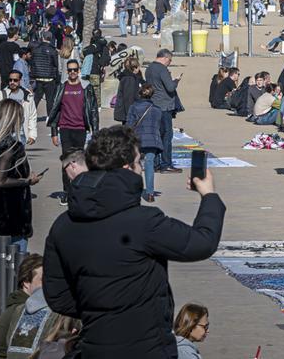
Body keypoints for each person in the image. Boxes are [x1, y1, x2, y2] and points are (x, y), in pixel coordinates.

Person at [43, 125, 225, 359]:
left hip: (95, 345)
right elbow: (202, 242)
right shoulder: (144, 222)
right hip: (146, 347)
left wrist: (99, 307)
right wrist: (209, 195)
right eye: (139, 162)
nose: (141, 169)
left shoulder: (63, 225)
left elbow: (58, 296)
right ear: (127, 167)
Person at [0, 100, 41, 257]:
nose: (22, 121)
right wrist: (28, 181)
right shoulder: (11, 146)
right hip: (12, 213)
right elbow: (0, 180)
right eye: (20, 117)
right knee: (15, 263)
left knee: (3, 259)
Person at [47, 58, 100, 202]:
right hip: (65, 129)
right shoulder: (61, 87)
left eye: (74, 70)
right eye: (69, 70)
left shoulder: (86, 88)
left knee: (79, 162)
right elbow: (55, 111)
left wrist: (95, 131)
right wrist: (53, 132)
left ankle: (78, 189)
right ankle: (66, 191)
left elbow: (93, 110)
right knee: (66, 161)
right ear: (67, 71)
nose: (72, 72)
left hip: (81, 129)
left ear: (78, 71)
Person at [0, 253, 47, 359]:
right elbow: (22, 354)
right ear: (26, 282)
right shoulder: (24, 312)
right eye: (43, 280)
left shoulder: (25, 306)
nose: (49, 284)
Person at [125, 83, 163, 203]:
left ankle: (135, 189)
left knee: (135, 164)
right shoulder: (157, 109)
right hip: (152, 140)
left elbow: (129, 125)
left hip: (138, 139)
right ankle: (150, 193)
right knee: (149, 164)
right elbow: (161, 127)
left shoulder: (134, 107)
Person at [146, 49, 182, 174]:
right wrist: (176, 80)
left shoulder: (149, 68)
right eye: (170, 60)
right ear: (165, 58)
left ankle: (156, 163)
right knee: (166, 135)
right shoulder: (162, 69)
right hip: (164, 106)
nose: (169, 63)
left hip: (153, 104)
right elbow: (170, 87)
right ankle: (166, 164)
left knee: (156, 135)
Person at [0, 69, 39, 144]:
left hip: (20, 135)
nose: (12, 82)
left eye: (15, 80)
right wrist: (0, 112)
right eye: (10, 80)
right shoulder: (0, 95)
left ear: (20, 81)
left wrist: (32, 135)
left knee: (18, 155)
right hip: (3, 135)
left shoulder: (28, 96)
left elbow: (32, 116)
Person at [112, 53, 144, 124]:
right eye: (138, 67)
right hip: (129, 114)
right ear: (134, 68)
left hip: (130, 112)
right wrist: (131, 115)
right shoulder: (129, 79)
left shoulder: (131, 77)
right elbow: (128, 98)